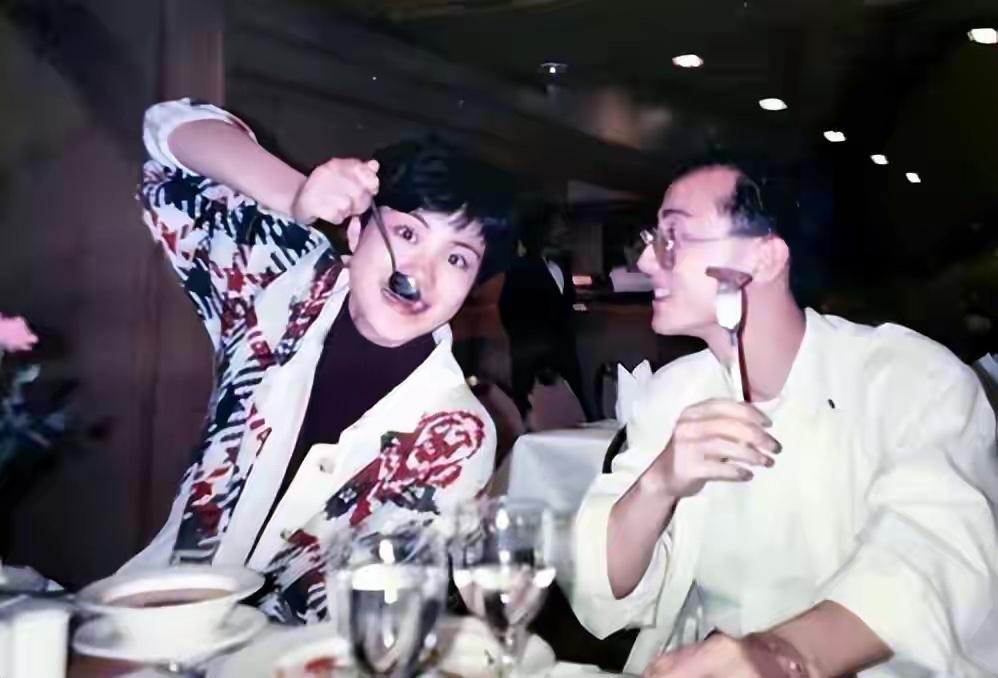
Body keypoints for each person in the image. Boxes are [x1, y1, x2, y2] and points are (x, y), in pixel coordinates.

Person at [568, 162, 998, 676]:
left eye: (674, 236)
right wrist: (658, 483)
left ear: (766, 257)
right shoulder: (673, 394)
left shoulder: (910, 379)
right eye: (651, 238)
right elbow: (601, 586)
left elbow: (931, 550)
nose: (644, 260)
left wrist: (781, 657)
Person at [121, 98, 515, 623]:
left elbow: (353, 610)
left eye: (457, 258)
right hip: (150, 607)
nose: (422, 271)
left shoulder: (455, 435)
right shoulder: (285, 285)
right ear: (355, 232)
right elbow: (168, 135)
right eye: (407, 233)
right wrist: (293, 195)